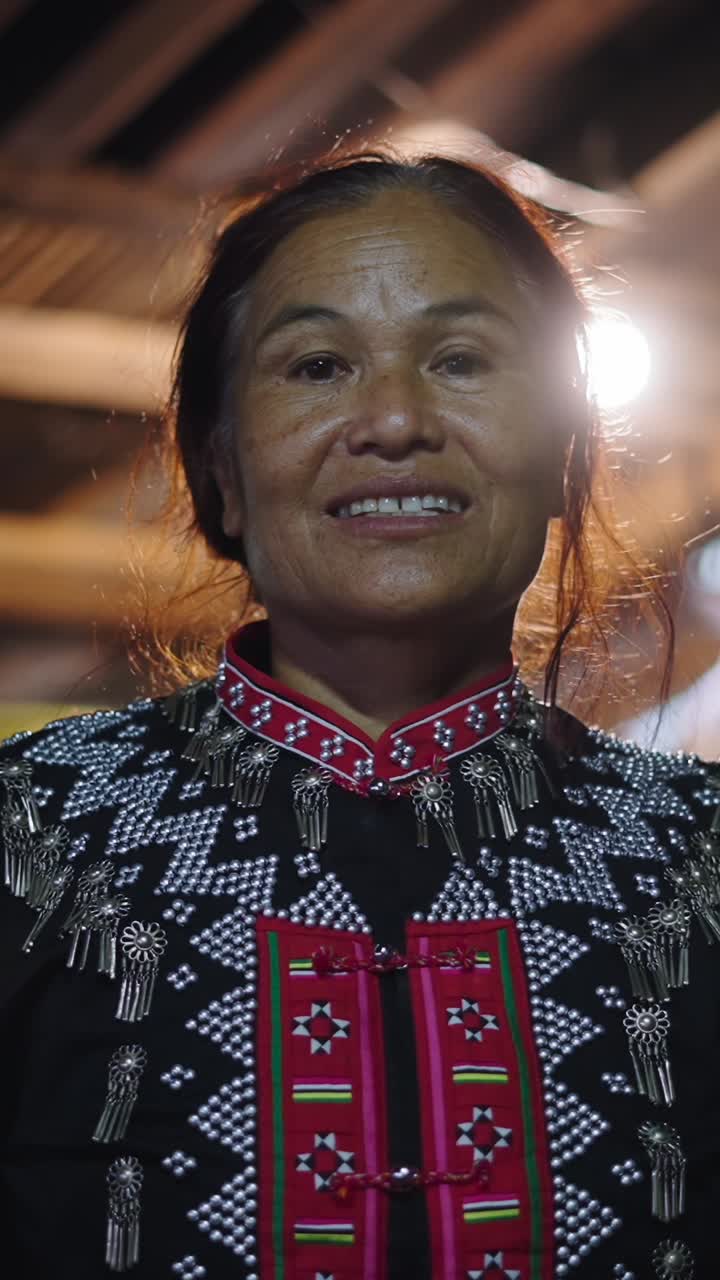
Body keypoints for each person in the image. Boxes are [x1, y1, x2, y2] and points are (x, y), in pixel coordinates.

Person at [1, 151, 718, 1280]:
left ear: (562, 456)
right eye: (320, 363)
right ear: (222, 469)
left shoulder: (700, 857)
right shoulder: (30, 839)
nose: (392, 420)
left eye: (463, 358)